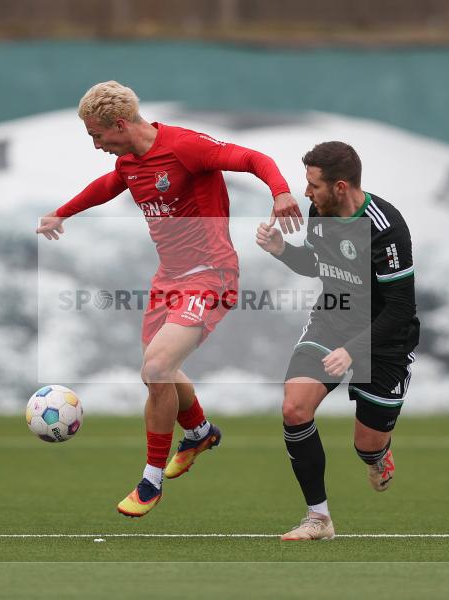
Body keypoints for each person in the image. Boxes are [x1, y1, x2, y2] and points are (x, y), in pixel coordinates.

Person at [37, 81, 302, 517]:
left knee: (158, 367)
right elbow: (109, 184)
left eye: (97, 135)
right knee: (158, 372)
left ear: (119, 124)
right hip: (167, 281)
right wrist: (63, 211)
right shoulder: (128, 161)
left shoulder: (185, 147)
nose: (96, 144)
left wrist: (281, 192)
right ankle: (198, 432)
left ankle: (151, 481)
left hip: (211, 275)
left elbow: (254, 158)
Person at [256, 141, 419, 540]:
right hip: (331, 320)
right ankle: (319, 519)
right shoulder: (319, 212)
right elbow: (318, 265)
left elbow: (399, 308)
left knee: (366, 443)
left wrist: (354, 350)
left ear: (341, 186)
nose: (306, 193)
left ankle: (377, 456)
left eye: (313, 185)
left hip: (384, 339)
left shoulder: (387, 229)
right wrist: (282, 251)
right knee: (294, 408)